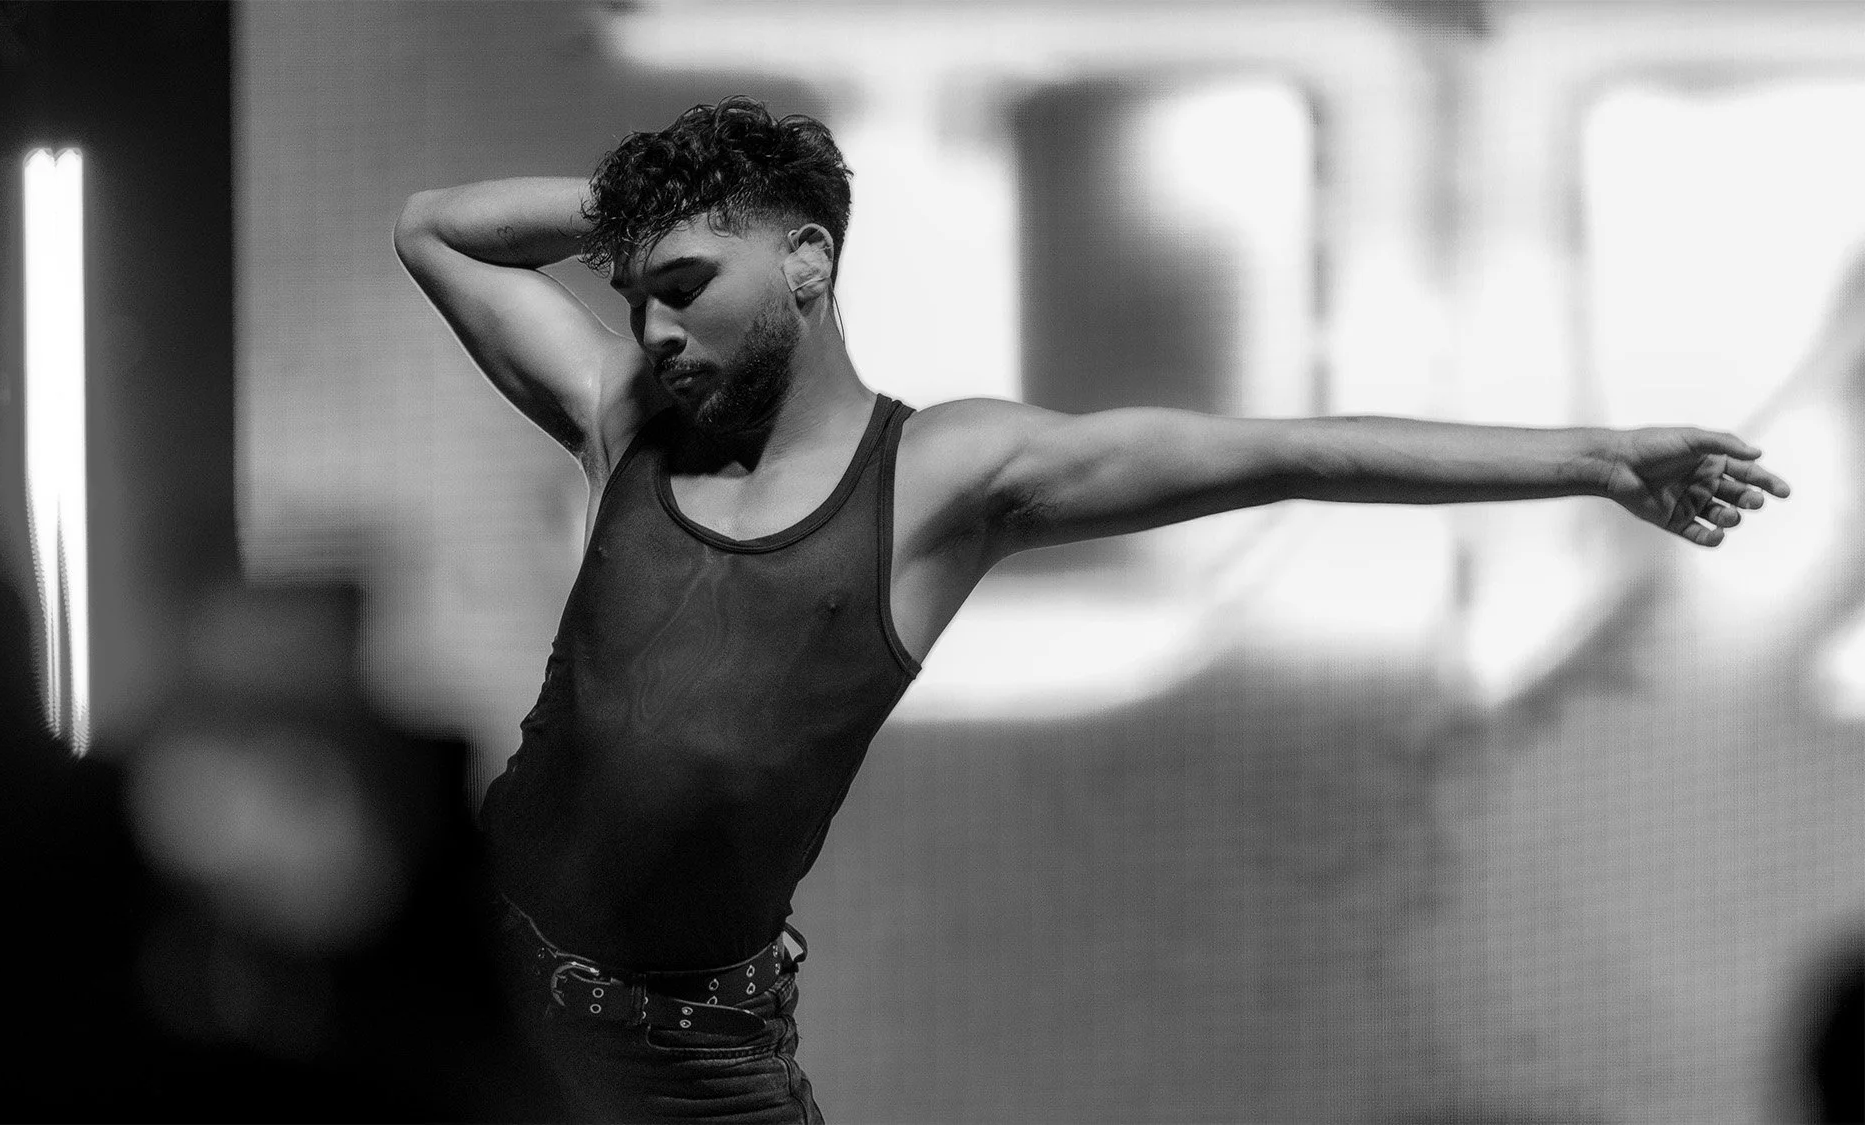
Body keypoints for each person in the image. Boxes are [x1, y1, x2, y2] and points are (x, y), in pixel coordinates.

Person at [393, 95, 1792, 1123]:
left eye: (686, 287)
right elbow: (436, 232)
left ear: (810, 263)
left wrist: (1596, 460)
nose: (650, 330)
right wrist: (640, 218)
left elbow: (1289, 449)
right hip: (470, 996)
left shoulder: (947, 476)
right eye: (634, 297)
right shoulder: (620, 418)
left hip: (687, 1062)